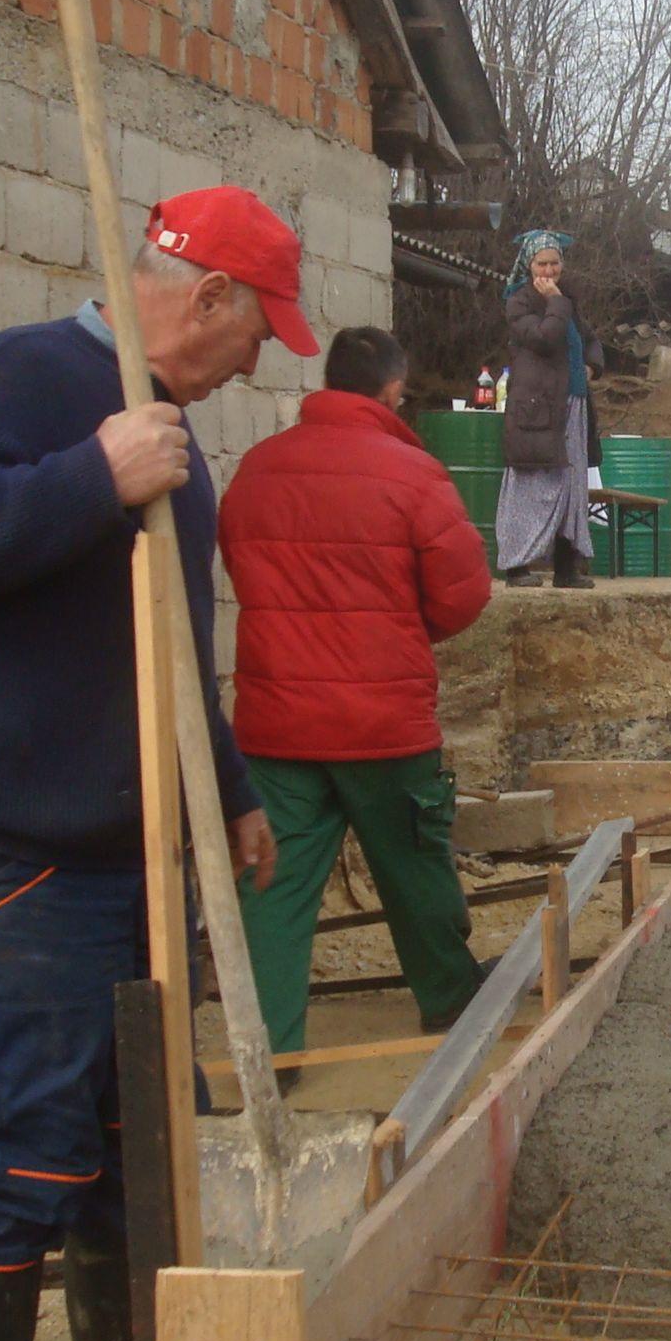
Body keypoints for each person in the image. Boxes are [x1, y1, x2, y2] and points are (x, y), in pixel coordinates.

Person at [0, 186, 309, 1341]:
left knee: (132, 1158)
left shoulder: (168, 431)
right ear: (208, 296)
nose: (258, 358)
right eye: (258, 330)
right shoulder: (15, 380)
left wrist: (228, 788)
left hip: (135, 858)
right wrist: (87, 478)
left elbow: (164, 650)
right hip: (16, 859)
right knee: (22, 1158)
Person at [219, 326, 494, 1060]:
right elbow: (463, 593)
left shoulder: (256, 468)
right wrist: (402, 632)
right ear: (391, 391)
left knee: (273, 886)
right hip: (383, 722)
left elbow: (241, 570)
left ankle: (267, 1053)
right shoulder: (412, 473)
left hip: (277, 722)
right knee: (415, 870)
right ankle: (449, 1002)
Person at [496, 232, 605, 589]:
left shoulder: (566, 298)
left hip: (572, 404)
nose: (549, 270)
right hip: (538, 408)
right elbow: (545, 337)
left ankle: (566, 567)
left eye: (554, 262)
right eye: (542, 263)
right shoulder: (520, 302)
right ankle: (516, 566)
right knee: (531, 483)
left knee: (571, 486)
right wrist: (556, 302)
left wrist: (592, 364)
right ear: (529, 265)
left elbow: (586, 338)